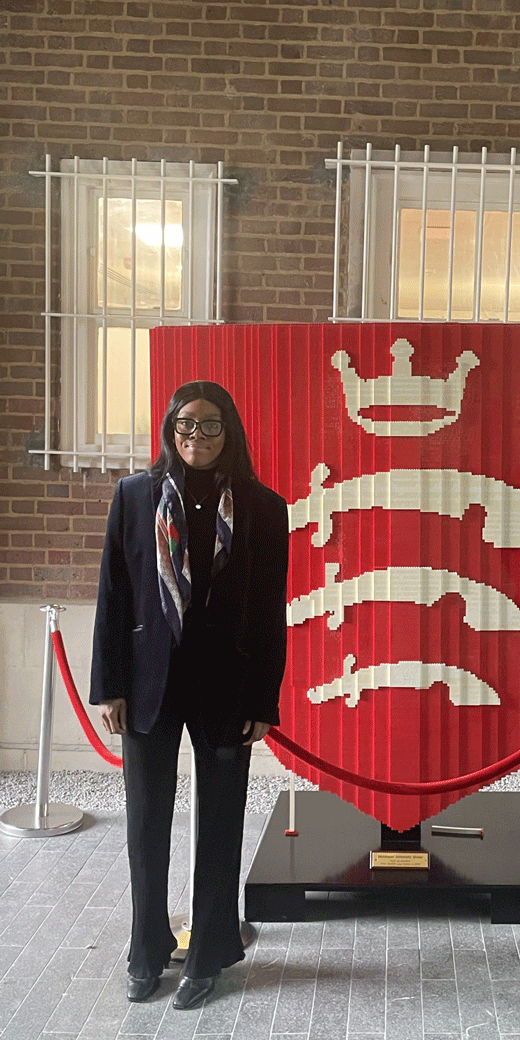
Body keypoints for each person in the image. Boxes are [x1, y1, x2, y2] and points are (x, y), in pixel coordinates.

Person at [90, 380, 288, 1009]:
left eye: (209, 425)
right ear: (169, 429)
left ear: (229, 432)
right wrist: (110, 687)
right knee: (147, 822)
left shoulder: (262, 507)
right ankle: (146, 950)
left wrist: (264, 699)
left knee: (221, 821)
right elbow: (114, 598)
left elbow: (267, 613)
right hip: (149, 685)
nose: (195, 437)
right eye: (184, 424)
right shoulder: (135, 497)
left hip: (227, 687)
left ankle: (209, 952)